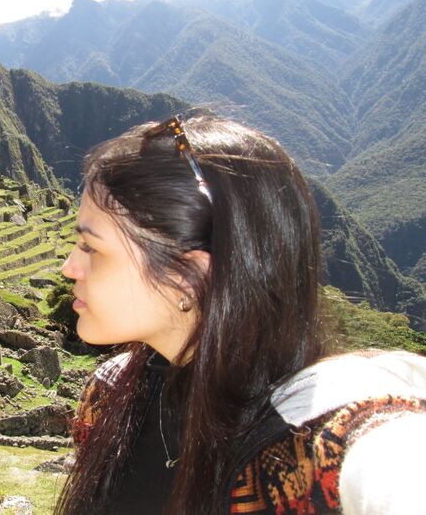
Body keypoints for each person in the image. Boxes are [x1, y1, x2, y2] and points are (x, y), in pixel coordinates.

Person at [55, 113, 426, 515]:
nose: (69, 267)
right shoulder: (108, 397)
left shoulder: (314, 436)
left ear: (187, 276)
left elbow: (392, 471)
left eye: (91, 248)